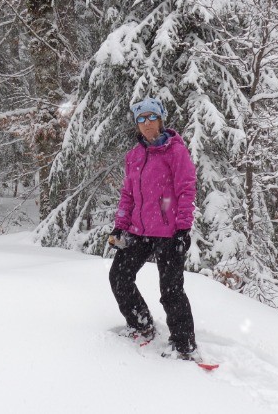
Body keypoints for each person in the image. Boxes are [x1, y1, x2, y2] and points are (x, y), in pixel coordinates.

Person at [108, 96, 198, 360]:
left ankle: (183, 344)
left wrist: (182, 229)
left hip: (169, 233)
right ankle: (141, 324)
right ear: (137, 123)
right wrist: (120, 226)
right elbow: (128, 194)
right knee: (119, 277)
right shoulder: (134, 156)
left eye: (151, 117)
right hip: (138, 231)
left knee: (171, 290)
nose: (147, 123)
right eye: (141, 119)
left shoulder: (175, 152)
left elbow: (186, 190)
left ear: (160, 120)